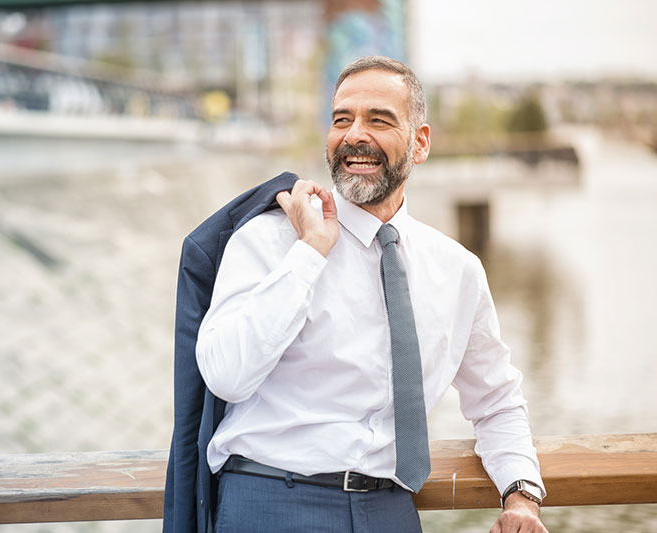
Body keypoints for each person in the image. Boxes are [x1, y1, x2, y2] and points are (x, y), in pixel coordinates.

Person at [194, 56, 548, 533]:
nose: (354, 135)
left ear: (420, 143)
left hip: (390, 511)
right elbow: (226, 375)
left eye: (378, 120)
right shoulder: (267, 240)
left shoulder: (458, 270)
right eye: (342, 119)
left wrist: (521, 495)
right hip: (269, 500)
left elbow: (497, 401)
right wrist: (310, 253)